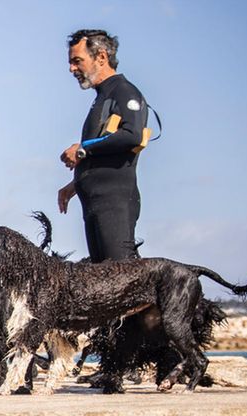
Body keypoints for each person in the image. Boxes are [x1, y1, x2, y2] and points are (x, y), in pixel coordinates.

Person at [56, 28, 151, 262]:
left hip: (115, 201)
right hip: (95, 203)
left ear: (101, 57)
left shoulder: (123, 91)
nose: (72, 69)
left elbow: (133, 135)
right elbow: (106, 148)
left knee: (121, 281)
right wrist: (76, 183)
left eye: (77, 61)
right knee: (103, 284)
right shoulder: (102, 97)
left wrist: (82, 149)